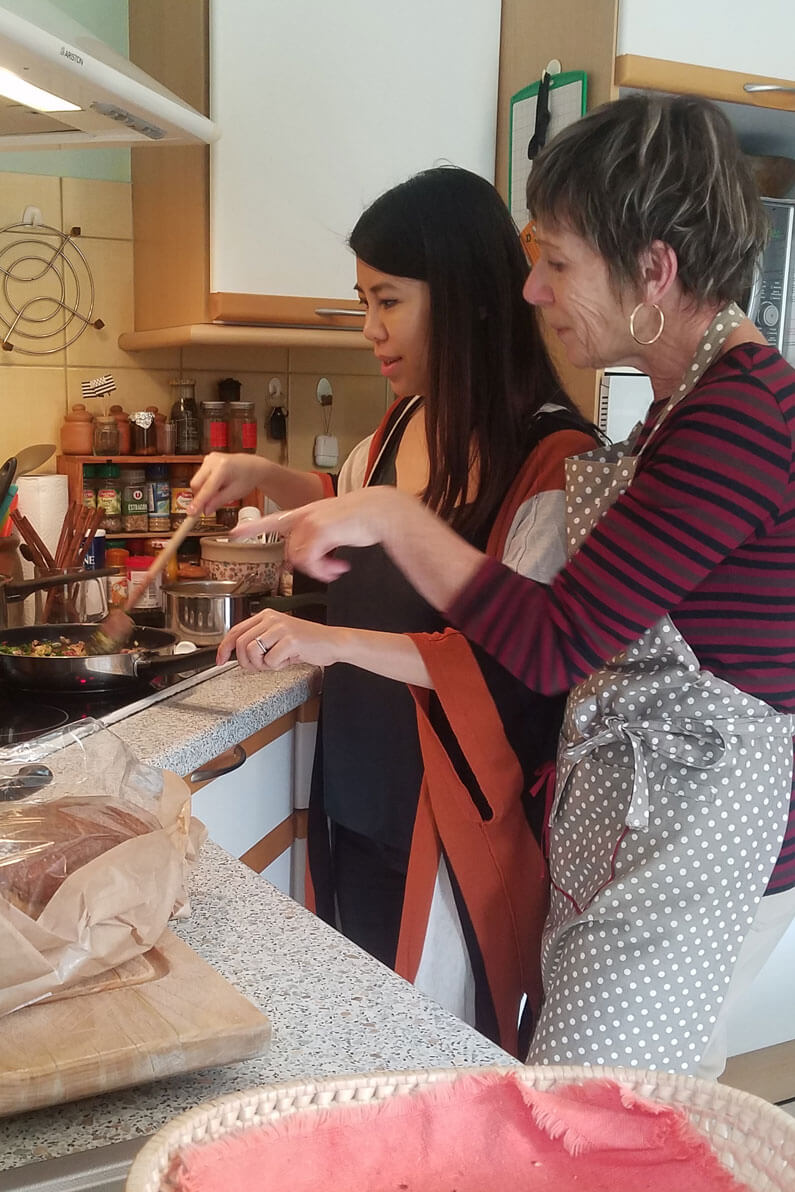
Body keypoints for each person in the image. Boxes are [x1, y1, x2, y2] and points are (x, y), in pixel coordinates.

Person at [242, 96, 795, 1079]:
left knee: (590, 1130)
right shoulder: (689, 406)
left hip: (694, 855)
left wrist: (395, 520)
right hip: (638, 829)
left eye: (559, 261)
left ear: (654, 272)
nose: (532, 289)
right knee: (608, 1119)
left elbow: (551, 644)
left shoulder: (740, 417)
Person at [190, 166, 598, 1056]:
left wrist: (322, 638)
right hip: (361, 783)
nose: (369, 327)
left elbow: (511, 668)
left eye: (387, 300)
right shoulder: (405, 418)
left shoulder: (549, 458)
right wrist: (264, 479)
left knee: (435, 1042)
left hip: (453, 810)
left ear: (462, 298)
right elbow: (348, 499)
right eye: (361, 300)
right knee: (360, 1029)